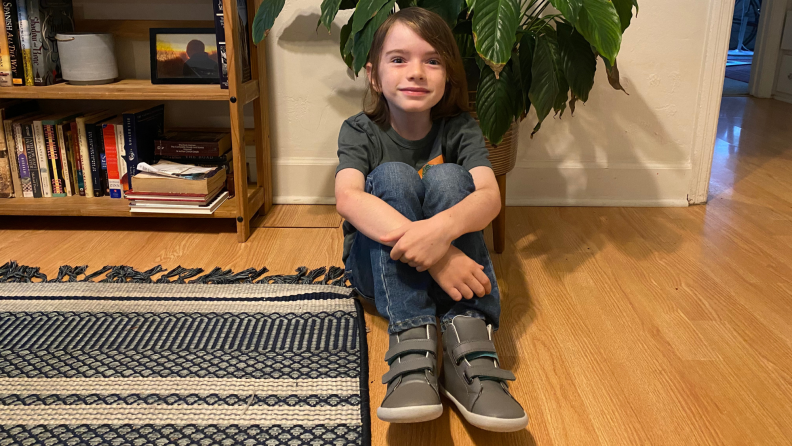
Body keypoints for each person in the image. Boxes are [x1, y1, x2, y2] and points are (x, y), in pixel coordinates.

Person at [335, 7, 528, 432]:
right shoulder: (359, 130)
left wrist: (438, 235)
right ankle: (411, 345)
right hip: (379, 274)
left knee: (451, 176)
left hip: (457, 283)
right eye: (399, 59)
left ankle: (470, 345)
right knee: (392, 176)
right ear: (373, 75)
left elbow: (489, 196)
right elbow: (348, 198)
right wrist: (440, 258)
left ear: (449, 77)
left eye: (433, 60)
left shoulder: (460, 127)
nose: (416, 72)